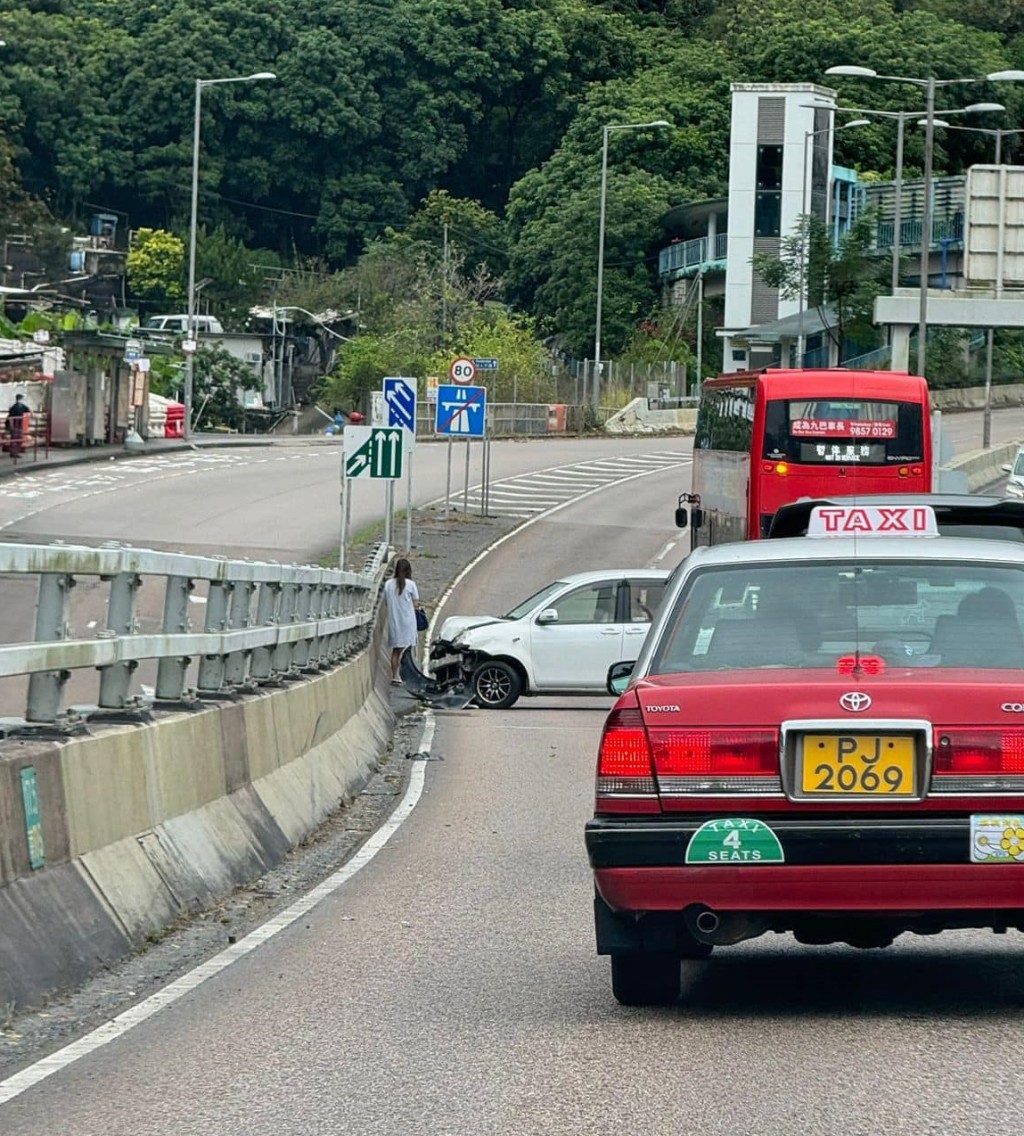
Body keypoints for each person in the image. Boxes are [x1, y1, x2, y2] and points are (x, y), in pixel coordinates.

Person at [383, 558, 421, 685]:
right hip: (408, 621)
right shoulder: (411, 585)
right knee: (406, 650)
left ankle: (395, 676)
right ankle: (407, 676)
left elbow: (386, 602)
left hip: (394, 621)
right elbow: (416, 604)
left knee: (396, 650)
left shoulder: (388, 584)